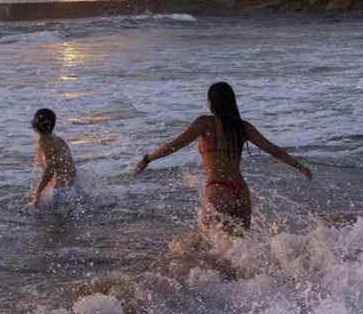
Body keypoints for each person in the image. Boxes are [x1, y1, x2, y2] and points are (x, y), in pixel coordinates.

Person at [133, 82, 312, 233]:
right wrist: (300, 167)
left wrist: (148, 158)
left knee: (208, 246)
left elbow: (174, 145)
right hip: (241, 191)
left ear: (211, 103)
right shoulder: (243, 127)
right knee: (241, 249)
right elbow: (273, 150)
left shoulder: (204, 123)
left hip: (218, 190)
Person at [29, 108, 81, 211]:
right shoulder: (58, 139)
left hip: (60, 193)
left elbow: (50, 169)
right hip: (73, 188)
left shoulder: (43, 141)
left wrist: (37, 193)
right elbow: (70, 167)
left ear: (35, 125)